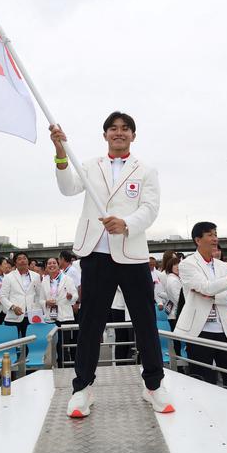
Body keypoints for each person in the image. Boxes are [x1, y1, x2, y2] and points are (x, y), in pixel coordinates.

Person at [51, 111, 171, 417]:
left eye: (125, 129)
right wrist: (61, 153)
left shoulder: (145, 171)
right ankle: (82, 388)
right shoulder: (90, 165)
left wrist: (126, 223)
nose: (119, 133)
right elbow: (67, 188)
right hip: (95, 254)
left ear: (133, 135)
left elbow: (151, 208)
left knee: (145, 321)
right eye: (113, 129)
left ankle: (154, 385)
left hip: (131, 254)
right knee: (91, 323)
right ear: (105, 135)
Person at [173, 222, 227, 389]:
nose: (214, 238)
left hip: (225, 330)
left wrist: (210, 294)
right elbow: (206, 287)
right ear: (198, 240)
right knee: (202, 381)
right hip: (199, 331)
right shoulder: (187, 264)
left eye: (215, 234)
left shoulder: (223, 266)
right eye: (210, 235)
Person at [41, 258, 78, 366]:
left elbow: (75, 296)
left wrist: (70, 297)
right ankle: (53, 367)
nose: (51, 265)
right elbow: (40, 300)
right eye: (49, 263)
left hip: (65, 317)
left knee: (63, 346)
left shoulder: (67, 279)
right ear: (46, 267)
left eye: (54, 263)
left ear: (58, 265)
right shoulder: (44, 281)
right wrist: (46, 302)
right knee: (52, 346)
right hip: (50, 318)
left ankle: (65, 368)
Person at [0, 251, 43, 338]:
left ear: (28, 261)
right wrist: (13, 307)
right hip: (14, 315)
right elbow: (2, 296)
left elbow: (39, 295)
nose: (22, 261)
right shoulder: (8, 277)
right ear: (15, 263)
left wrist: (36, 309)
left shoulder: (36, 276)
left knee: (30, 344)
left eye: (24, 258)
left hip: (31, 316)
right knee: (11, 344)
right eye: (19, 259)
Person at [161, 251, 183, 356]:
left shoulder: (174, 278)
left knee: (177, 340)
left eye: (179, 264)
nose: (178, 267)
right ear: (170, 266)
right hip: (175, 314)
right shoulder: (173, 280)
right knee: (177, 340)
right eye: (175, 265)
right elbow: (178, 299)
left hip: (174, 313)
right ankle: (179, 364)